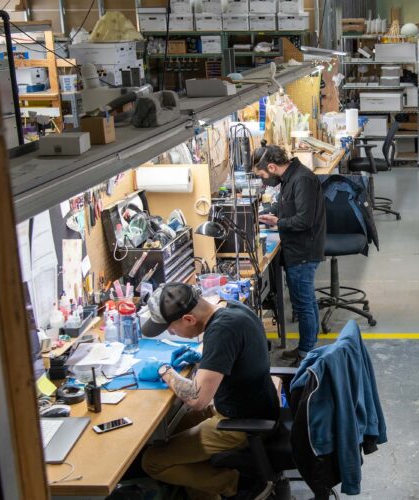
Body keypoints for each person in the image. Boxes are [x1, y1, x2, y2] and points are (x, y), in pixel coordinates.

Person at [138, 283, 279, 500]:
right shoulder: (232, 309)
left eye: (170, 328)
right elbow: (234, 354)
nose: (170, 332)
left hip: (239, 422)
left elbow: (197, 399)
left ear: (189, 319)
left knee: (153, 460)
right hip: (254, 404)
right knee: (171, 434)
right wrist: (206, 358)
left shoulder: (222, 330)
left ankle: (236, 484)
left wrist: (163, 370)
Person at [251, 144, 326, 364]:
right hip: (298, 247)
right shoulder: (290, 178)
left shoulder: (302, 179)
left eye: (263, 175)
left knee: (303, 304)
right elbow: (289, 206)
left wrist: (279, 222)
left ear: (272, 166)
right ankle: (307, 347)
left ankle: (306, 354)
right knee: (306, 301)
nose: (265, 179)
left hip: (304, 250)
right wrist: (269, 214)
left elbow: (304, 220)